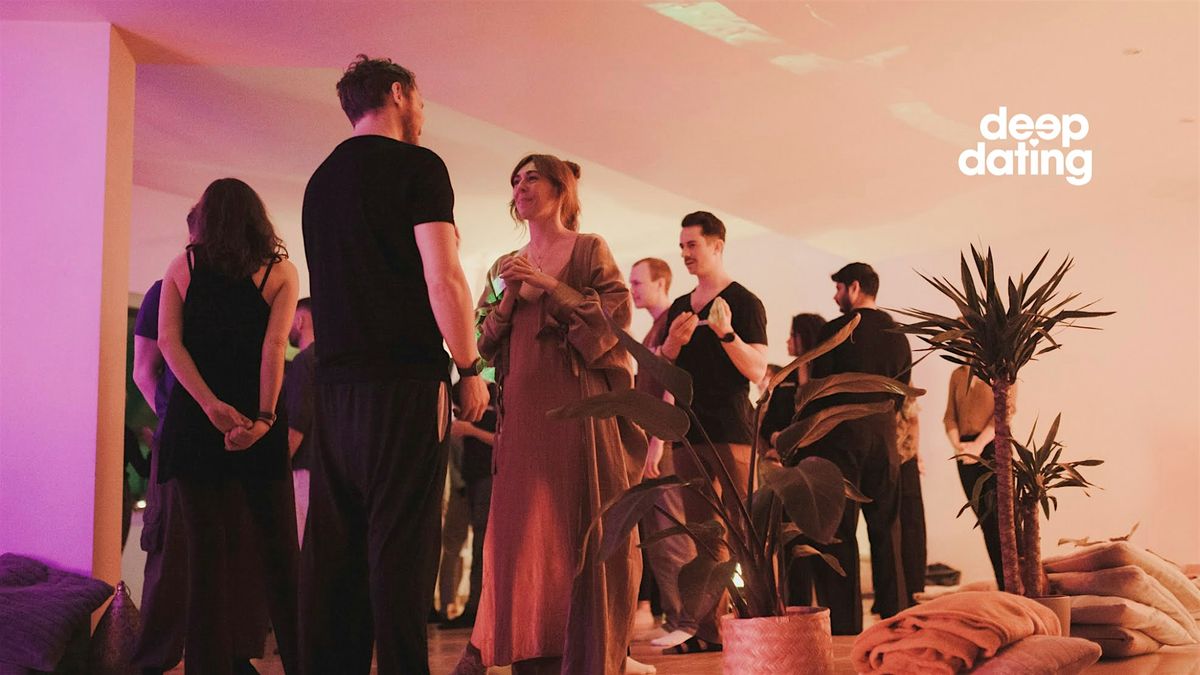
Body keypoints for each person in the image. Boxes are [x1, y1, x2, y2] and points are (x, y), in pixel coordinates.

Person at [300, 55, 487, 675]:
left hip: (334, 390)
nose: (424, 114)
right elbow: (445, 277)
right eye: (423, 101)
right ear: (399, 93)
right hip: (405, 382)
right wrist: (469, 368)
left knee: (339, 550)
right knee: (402, 546)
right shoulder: (419, 166)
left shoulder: (320, 181)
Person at [456, 154, 643, 675]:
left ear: (561, 189)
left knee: (573, 527)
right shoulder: (503, 265)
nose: (520, 187)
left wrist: (551, 288)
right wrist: (511, 297)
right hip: (521, 416)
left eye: (532, 177)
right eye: (515, 180)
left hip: (578, 413)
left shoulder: (589, 249)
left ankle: (581, 650)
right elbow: (481, 343)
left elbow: (614, 321)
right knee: (521, 535)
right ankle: (527, 648)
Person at [155, 178, 300, 674]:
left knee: (206, 561)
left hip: (195, 425)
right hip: (257, 421)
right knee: (280, 554)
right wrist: (263, 418)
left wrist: (210, 406)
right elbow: (274, 347)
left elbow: (169, 345)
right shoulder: (280, 271)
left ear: (206, 217)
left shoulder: (184, 266)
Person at [659, 211, 769, 653]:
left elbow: (758, 370)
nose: (685, 253)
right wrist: (673, 344)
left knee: (747, 534)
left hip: (733, 431)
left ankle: (762, 624)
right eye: (682, 246)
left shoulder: (744, 302)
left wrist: (726, 334)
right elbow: (664, 368)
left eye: (693, 245)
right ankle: (710, 632)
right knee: (704, 536)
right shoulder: (679, 307)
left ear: (717, 246)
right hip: (689, 433)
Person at [801, 262, 912, 635]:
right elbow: (903, 391)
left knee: (840, 532)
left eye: (838, 288)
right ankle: (895, 615)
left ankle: (846, 623)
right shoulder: (898, 334)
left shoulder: (834, 330)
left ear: (854, 287)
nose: (835, 296)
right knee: (887, 529)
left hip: (840, 438)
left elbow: (818, 392)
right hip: (884, 436)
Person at [628, 257, 701, 650]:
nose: (633, 290)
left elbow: (671, 385)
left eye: (639, 283)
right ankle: (676, 618)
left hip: (665, 443)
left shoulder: (672, 322)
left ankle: (689, 623)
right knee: (659, 537)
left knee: (672, 535)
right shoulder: (653, 329)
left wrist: (659, 441)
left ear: (661, 283)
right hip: (654, 440)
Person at [945, 364, 1016, 589]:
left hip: (993, 446)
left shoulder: (1003, 370)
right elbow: (949, 417)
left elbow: (1005, 412)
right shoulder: (958, 374)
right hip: (964, 451)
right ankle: (1003, 584)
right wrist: (959, 447)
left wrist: (978, 445)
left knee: (1001, 520)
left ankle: (1013, 585)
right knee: (985, 521)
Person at [439, 380, 499, 630]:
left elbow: (503, 442)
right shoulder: (465, 422)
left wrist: (471, 430)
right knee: (468, 546)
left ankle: (475, 609)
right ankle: (457, 607)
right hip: (471, 483)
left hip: (484, 482)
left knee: (481, 546)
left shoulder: (490, 417)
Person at [284, 297, 315, 547]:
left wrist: (275, 471)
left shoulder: (304, 362)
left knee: (299, 550)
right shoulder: (333, 361)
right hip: (331, 472)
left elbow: (297, 424)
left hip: (303, 471)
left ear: (300, 320)